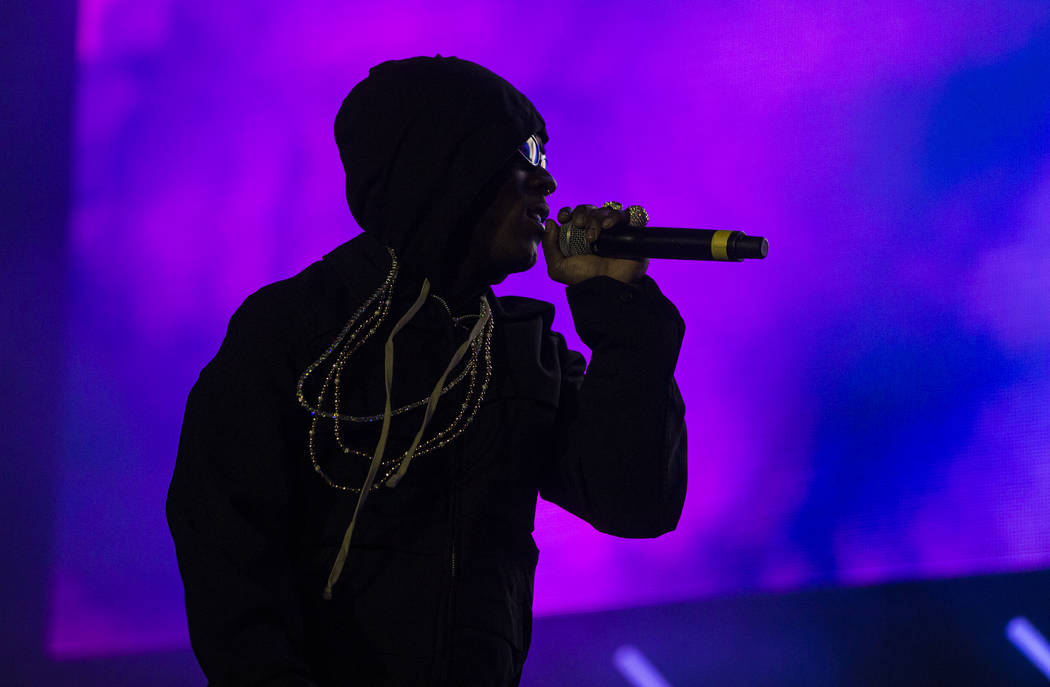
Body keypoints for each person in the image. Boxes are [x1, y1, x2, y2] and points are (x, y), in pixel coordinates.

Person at [167, 56, 687, 687]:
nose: (547, 187)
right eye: (523, 159)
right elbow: (226, 551)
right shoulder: (295, 328)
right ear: (448, 168)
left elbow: (635, 503)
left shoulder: (521, 350)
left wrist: (619, 313)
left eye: (545, 160)